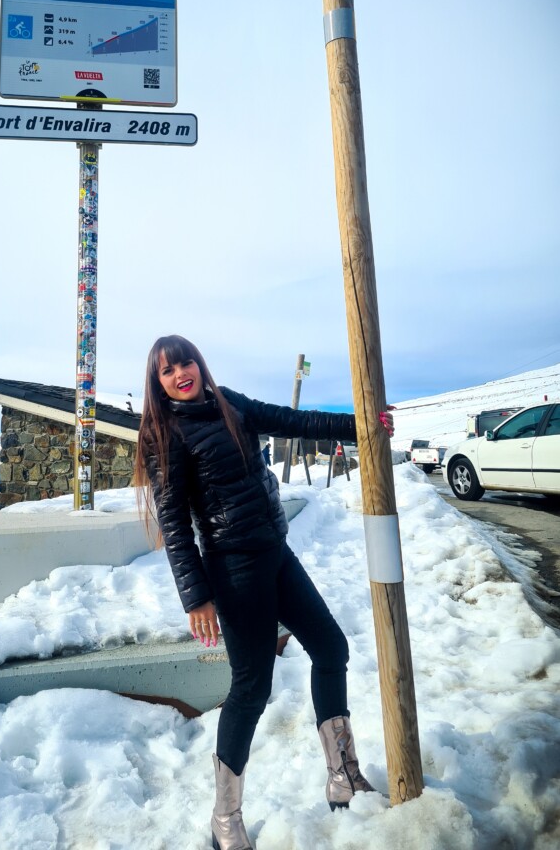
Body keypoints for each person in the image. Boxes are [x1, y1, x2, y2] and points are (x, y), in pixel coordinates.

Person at [134, 335, 395, 850]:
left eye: (186, 362)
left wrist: (362, 424)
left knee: (331, 649)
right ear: (158, 383)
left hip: (276, 553)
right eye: (167, 370)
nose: (181, 373)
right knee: (251, 688)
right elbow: (175, 524)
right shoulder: (164, 435)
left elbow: (294, 421)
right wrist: (196, 597)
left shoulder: (230, 403)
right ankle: (225, 818)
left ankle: (342, 776)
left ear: (199, 364)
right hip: (234, 570)